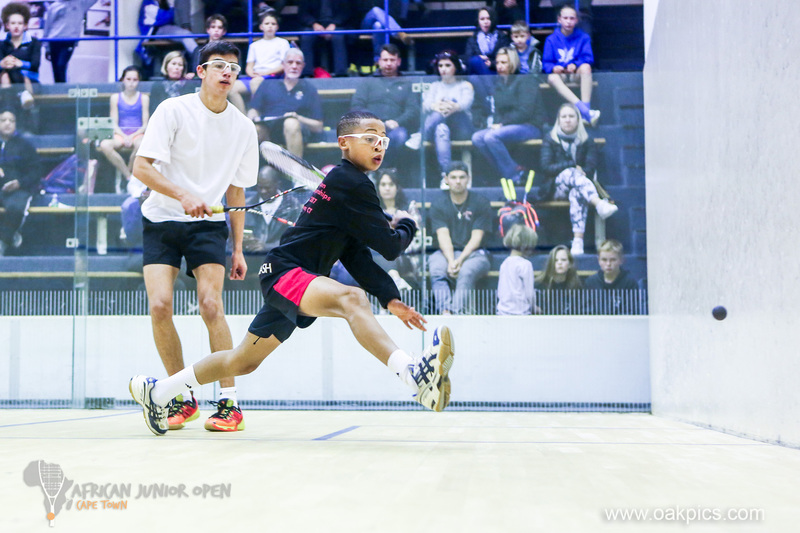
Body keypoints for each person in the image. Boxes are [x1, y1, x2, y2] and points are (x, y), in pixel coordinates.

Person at [129, 110, 455, 436]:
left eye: (382, 140)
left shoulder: (350, 185)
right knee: (351, 298)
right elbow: (391, 247)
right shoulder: (350, 182)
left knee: (242, 361)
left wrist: (390, 298)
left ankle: (157, 393)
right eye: (370, 138)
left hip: (290, 278)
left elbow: (355, 255)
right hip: (288, 272)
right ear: (344, 143)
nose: (379, 146)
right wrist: (407, 223)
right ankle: (414, 375)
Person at [131, 40, 259, 433]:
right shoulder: (173, 110)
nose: (226, 73)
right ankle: (181, 399)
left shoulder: (242, 127)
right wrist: (183, 195)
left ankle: (229, 405)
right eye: (218, 65)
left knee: (210, 306)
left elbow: (236, 193)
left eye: (233, 68)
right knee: (160, 306)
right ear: (200, 72)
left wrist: (237, 248)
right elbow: (141, 167)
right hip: (161, 219)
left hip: (207, 225)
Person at [539, 103, 617, 256]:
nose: (567, 120)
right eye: (564, 117)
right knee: (570, 172)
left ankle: (577, 241)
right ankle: (598, 203)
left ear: (578, 120)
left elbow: (590, 168)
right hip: (555, 188)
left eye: (571, 116)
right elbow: (546, 167)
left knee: (577, 192)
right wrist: (572, 166)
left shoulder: (587, 141)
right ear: (558, 120)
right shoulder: (550, 139)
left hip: (580, 186)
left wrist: (577, 170)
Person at [471, 46, 544, 187]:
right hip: (508, 126)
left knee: (491, 137)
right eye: (498, 63)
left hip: (530, 125)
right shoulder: (499, 84)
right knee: (477, 138)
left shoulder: (526, 80)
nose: (499, 66)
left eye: (504, 63)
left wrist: (502, 124)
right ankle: (506, 172)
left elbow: (525, 111)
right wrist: (496, 123)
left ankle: (516, 174)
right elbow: (498, 111)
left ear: (513, 62)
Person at [429, 162, 492, 315]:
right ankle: (445, 312)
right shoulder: (438, 204)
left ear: (468, 179)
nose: (458, 181)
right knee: (436, 267)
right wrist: (451, 261)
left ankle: (455, 314)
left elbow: (477, 237)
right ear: (446, 179)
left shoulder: (481, 202)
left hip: (476, 254)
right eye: (454, 177)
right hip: (446, 253)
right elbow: (443, 236)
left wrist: (460, 260)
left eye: (462, 177)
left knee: (466, 271)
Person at [351, 44, 419, 172]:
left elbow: (413, 110)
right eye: (385, 60)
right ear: (379, 62)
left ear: (398, 62)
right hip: (371, 128)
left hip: (396, 128)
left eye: (392, 60)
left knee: (400, 136)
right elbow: (357, 107)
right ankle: (376, 171)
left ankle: (385, 170)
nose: (388, 63)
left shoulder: (407, 84)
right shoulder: (368, 82)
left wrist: (398, 121)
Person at [247, 48, 323, 157]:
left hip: (297, 133)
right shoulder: (267, 84)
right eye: (290, 62)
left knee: (290, 123)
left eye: (298, 63)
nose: (294, 66)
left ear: (303, 66)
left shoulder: (310, 89)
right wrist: (252, 116)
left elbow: (318, 126)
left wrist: (297, 118)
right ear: (283, 64)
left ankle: (295, 171)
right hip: (270, 132)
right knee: (255, 129)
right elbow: (253, 109)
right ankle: (255, 171)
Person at [542, 4, 600, 126]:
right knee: (552, 77)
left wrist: (575, 64)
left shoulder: (583, 37)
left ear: (577, 20)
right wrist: (554, 68)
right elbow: (546, 63)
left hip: (575, 73)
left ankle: (585, 107)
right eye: (565, 18)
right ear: (559, 19)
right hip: (561, 75)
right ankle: (585, 111)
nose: (568, 21)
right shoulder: (551, 39)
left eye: (572, 18)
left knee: (586, 67)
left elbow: (588, 58)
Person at [422, 50, 474, 184]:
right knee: (441, 128)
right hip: (440, 128)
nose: (443, 69)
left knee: (441, 115)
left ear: (455, 66)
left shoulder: (465, 85)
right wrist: (436, 106)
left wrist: (450, 107)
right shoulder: (434, 86)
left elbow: (464, 104)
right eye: (440, 66)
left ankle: (421, 135)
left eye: (447, 65)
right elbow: (425, 105)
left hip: (461, 128)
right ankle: (446, 174)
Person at [97, 66, 150, 191]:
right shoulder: (115, 98)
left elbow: (145, 124)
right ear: (123, 80)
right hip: (120, 134)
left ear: (138, 81)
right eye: (128, 79)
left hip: (137, 135)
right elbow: (114, 123)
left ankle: (132, 174)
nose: (131, 82)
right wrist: (124, 136)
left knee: (141, 145)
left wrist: (132, 136)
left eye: (135, 79)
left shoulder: (144, 98)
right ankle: (128, 176)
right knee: (105, 145)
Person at [188, 14, 247, 113]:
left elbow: (236, 71)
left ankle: (242, 120)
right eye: (213, 27)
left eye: (219, 27)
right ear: (208, 29)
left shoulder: (232, 52)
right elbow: (194, 70)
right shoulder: (198, 50)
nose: (216, 30)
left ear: (224, 31)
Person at [242, 165, 305, 253]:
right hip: (250, 257)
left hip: (280, 257)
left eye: (267, 187)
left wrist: (265, 247)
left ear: (277, 184)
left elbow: (295, 239)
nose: (263, 191)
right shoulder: (248, 206)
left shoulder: (294, 207)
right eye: (260, 187)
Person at [375, 168, 420, 290]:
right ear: (378, 188)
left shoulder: (408, 208)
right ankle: (395, 279)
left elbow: (416, 232)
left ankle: (393, 285)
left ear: (397, 187)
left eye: (391, 184)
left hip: (404, 254)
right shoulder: (374, 209)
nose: (387, 188)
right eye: (383, 184)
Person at [0, 108, 37, 256]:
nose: (8, 123)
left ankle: (2, 242)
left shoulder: (25, 145)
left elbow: (35, 172)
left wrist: (19, 183)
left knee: (16, 207)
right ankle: (11, 234)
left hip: (18, 189)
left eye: (11, 121)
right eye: (3, 120)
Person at [137, 0, 198, 73]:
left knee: (187, 37)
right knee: (185, 35)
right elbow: (163, 18)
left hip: (166, 33)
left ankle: (198, 58)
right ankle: (199, 58)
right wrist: (173, 8)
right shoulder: (148, 2)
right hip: (153, 33)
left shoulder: (164, 2)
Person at [42, 0, 96, 83]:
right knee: (56, 68)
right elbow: (47, 26)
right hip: (54, 40)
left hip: (69, 41)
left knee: (61, 65)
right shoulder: (54, 6)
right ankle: (58, 92)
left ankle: (63, 92)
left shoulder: (81, 4)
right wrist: (46, 47)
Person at [0, 3, 41, 110]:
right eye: (13, 23)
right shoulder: (2, 45)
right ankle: (22, 97)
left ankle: (10, 108)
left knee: (15, 73)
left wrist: (21, 64)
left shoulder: (34, 43)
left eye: (20, 23)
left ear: (25, 26)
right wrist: (2, 64)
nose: (16, 26)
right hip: (7, 79)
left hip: (29, 80)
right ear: (7, 25)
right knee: (4, 74)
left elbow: (35, 65)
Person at [297, 0, 350, 78]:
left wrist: (335, 24)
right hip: (313, 25)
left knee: (338, 37)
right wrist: (314, 24)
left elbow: (346, 12)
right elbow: (303, 13)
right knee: (306, 37)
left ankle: (341, 73)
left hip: (335, 25)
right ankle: (306, 74)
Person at [584, 239, 639, 314]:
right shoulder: (590, 282)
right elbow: (586, 311)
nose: (608, 264)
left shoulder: (630, 283)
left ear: (621, 260)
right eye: (604, 260)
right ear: (598, 260)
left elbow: (632, 312)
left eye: (613, 260)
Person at [244, 9, 291, 96]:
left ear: (277, 27)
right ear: (261, 27)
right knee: (234, 88)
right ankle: (242, 110)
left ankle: (256, 109)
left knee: (255, 83)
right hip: (256, 76)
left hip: (273, 76)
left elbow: (284, 65)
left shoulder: (283, 42)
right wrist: (252, 74)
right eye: (267, 23)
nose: (270, 26)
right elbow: (249, 66)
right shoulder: (254, 45)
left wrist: (265, 73)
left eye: (273, 24)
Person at [496, 224, 537, 315]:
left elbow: (500, 291)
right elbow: (529, 294)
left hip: (502, 313)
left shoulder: (504, 263)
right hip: (521, 313)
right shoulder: (526, 265)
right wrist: (534, 307)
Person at [535, 244, 583, 314]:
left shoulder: (577, 286)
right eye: (556, 260)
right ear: (551, 263)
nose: (559, 263)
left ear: (570, 264)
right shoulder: (539, 285)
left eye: (563, 260)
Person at [148, 51, 199, 115]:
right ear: (166, 66)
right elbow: (153, 110)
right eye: (173, 64)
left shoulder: (189, 85)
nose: (177, 67)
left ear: (183, 68)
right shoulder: (158, 86)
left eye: (180, 65)